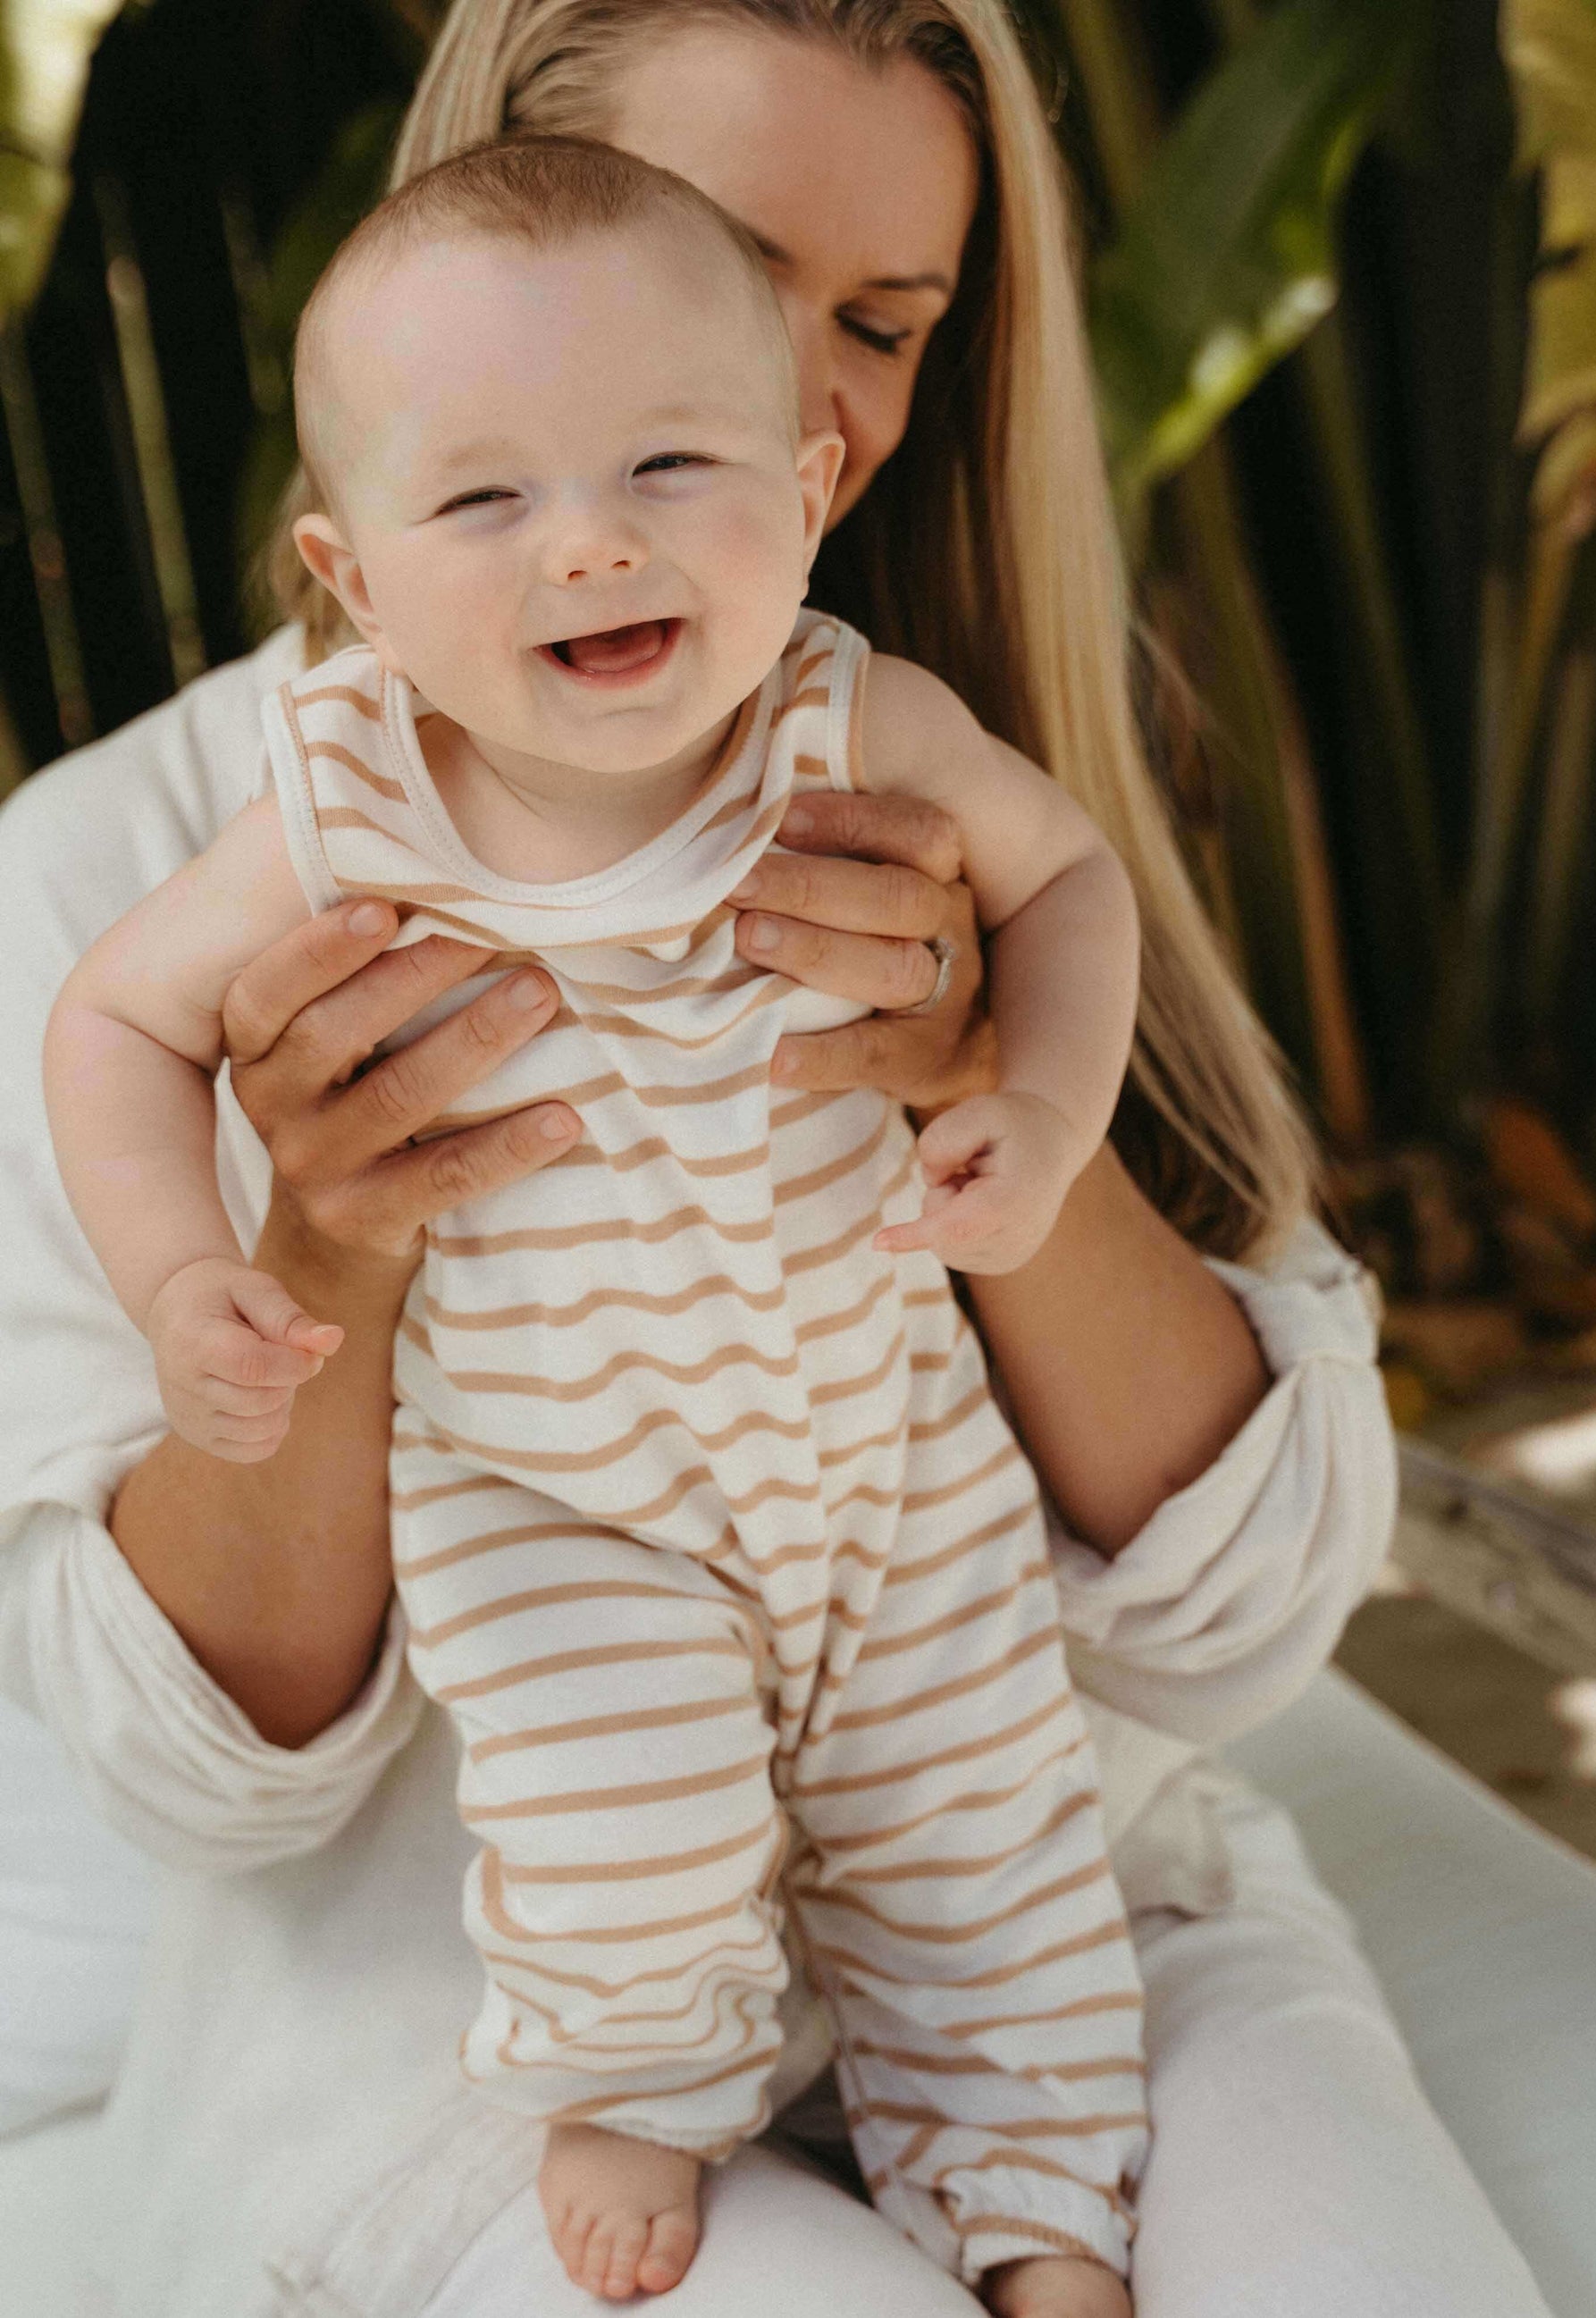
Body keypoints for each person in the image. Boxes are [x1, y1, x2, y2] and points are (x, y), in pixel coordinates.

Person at [0, 3, 1557, 2314]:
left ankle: (1025, 2202)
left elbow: (1245, 1616)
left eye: (883, 329)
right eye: (720, 256)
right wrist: (299, 1243)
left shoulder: (907, 732)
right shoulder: (184, 848)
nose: (808, 401)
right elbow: (205, 1776)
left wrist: (982, 1088)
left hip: (1024, 1837)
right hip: (478, 2031)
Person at [46, 135, 1152, 2314]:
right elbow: (112, 1024)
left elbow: (1071, 886)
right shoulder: (348, 798)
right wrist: (197, 1273)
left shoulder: (851, 720)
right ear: (348, 571)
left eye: (669, 459)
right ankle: (643, 2073)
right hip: (563, 1491)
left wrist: (1030, 1095)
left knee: (987, 1830)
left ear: (812, 479)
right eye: (482, 500)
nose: (590, 541)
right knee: (617, 1821)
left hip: (889, 1450)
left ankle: (1035, 2199)